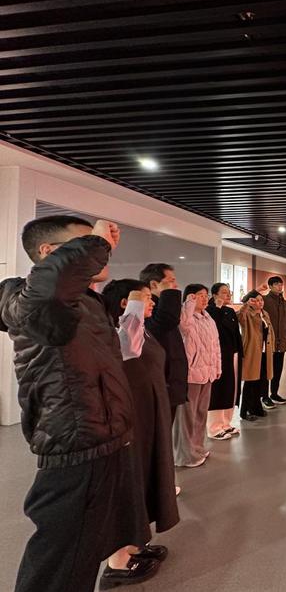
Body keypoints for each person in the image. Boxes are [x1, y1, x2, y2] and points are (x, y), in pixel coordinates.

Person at [0, 216, 156, 592]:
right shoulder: (35, 301)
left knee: (84, 549)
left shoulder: (82, 302)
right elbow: (47, 293)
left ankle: (121, 563)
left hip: (101, 434)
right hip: (76, 440)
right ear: (49, 253)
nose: (102, 253)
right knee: (62, 560)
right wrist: (95, 244)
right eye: (85, 243)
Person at [102, 280, 180, 587]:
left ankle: (135, 543)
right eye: (147, 298)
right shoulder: (119, 331)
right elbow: (128, 349)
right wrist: (136, 303)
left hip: (149, 415)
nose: (152, 303)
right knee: (130, 480)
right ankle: (118, 562)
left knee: (146, 476)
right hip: (133, 419)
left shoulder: (142, 328)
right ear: (126, 303)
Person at [173, 284, 221, 468]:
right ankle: (185, 454)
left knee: (201, 413)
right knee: (187, 416)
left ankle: (198, 448)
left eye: (205, 295)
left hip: (207, 373)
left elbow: (215, 346)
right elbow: (183, 327)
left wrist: (217, 367)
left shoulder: (208, 318)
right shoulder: (185, 316)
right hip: (191, 374)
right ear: (190, 297)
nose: (204, 298)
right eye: (199, 295)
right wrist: (188, 305)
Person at [139, 263, 188, 425]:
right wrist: (170, 293)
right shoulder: (147, 310)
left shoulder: (162, 306)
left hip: (170, 380)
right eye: (171, 280)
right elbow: (165, 322)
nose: (176, 285)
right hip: (160, 381)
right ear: (154, 284)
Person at [206, 283, 244, 439]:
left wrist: (240, 352)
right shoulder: (209, 311)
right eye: (223, 292)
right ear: (214, 295)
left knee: (231, 389)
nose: (228, 295)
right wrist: (217, 307)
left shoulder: (230, 311)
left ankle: (226, 423)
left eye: (229, 292)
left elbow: (236, 334)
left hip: (232, 354)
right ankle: (214, 427)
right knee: (218, 390)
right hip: (218, 355)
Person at [237, 291, 276, 421]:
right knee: (250, 382)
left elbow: (270, 332)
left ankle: (256, 407)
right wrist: (246, 305)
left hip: (265, 352)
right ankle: (244, 411)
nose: (260, 303)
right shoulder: (247, 314)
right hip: (252, 351)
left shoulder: (265, 314)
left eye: (261, 300)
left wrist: (272, 347)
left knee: (261, 381)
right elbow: (240, 317)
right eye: (256, 300)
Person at [259, 276, 286, 406]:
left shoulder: (285, 304)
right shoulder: (264, 300)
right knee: (266, 371)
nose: (280, 287)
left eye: (281, 284)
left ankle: (274, 393)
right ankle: (264, 396)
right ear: (270, 286)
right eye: (277, 284)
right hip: (267, 343)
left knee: (277, 370)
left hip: (281, 343)